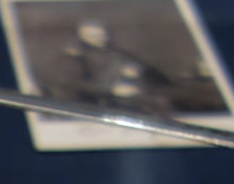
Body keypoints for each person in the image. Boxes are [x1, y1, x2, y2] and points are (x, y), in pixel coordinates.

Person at [37, 20, 175, 116]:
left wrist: (138, 71)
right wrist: (110, 90)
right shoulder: (73, 57)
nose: (100, 38)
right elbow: (71, 84)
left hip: (129, 96)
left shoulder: (119, 54)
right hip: (93, 102)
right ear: (82, 37)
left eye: (102, 34)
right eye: (93, 36)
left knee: (162, 102)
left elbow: (148, 71)